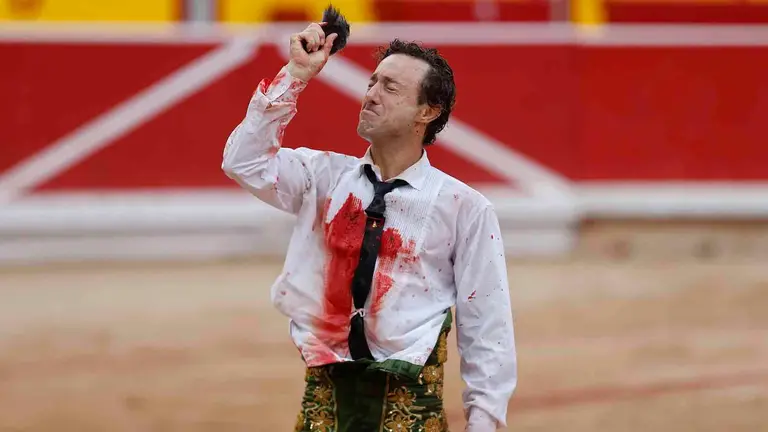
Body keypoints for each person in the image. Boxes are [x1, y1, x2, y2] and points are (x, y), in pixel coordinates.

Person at [222, 21, 517, 432]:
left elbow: (486, 323)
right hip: (325, 398)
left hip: (409, 405)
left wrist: (483, 421)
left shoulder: (464, 208)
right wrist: (296, 75)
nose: (372, 94)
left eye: (391, 88)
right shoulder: (322, 177)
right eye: (373, 82)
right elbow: (244, 163)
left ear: (428, 112)